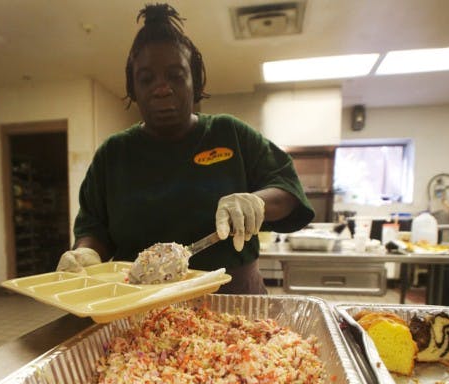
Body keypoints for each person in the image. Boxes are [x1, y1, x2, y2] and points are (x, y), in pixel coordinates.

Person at [56, 3, 314, 293]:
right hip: (138, 303)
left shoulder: (230, 134)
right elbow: (93, 228)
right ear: (133, 89)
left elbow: (288, 189)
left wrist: (258, 202)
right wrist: (86, 255)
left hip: (233, 299)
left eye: (176, 76)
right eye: (146, 79)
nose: (162, 88)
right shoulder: (113, 155)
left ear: (195, 80)